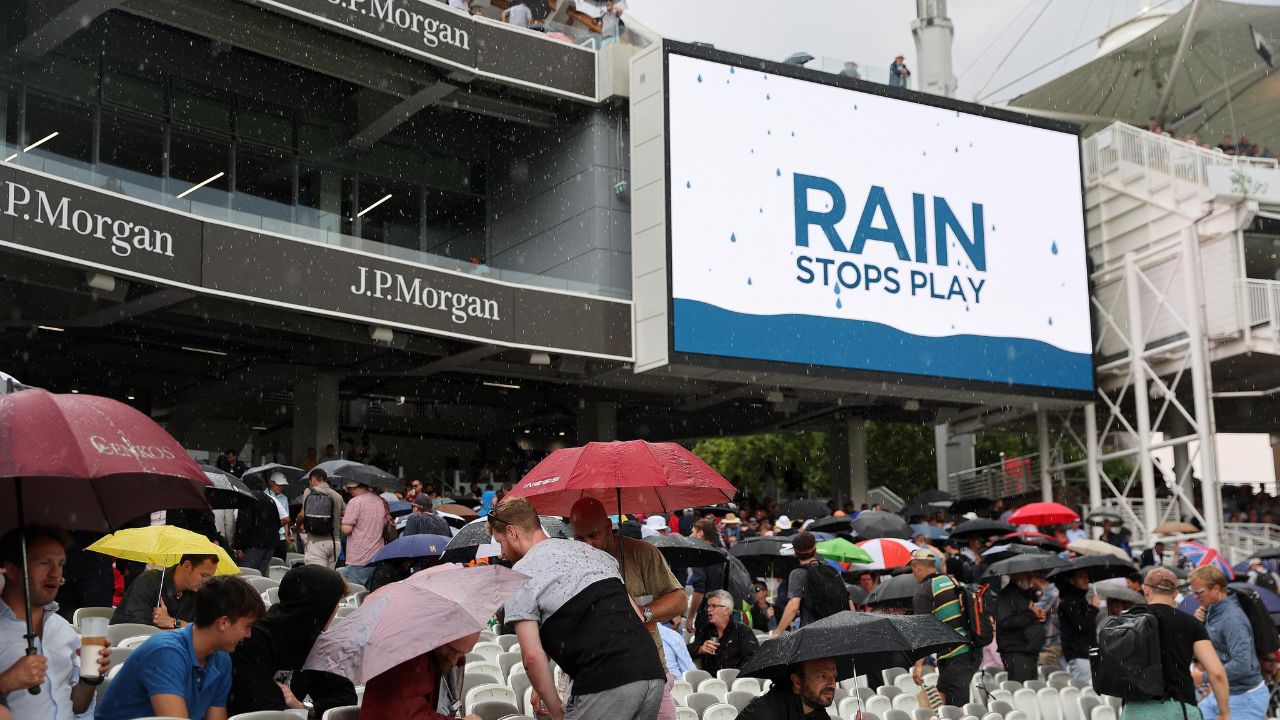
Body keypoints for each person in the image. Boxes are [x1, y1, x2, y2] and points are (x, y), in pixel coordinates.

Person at [490, 497, 665, 720]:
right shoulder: (594, 553)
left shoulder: (520, 574)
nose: (501, 553)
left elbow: (532, 657)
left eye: (500, 541)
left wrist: (556, 711)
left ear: (512, 532)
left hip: (607, 678)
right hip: (652, 672)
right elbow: (637, 615)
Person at [570, 497, 688, 720]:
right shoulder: (571, 563)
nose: (587, 545)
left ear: (608, 527)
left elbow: (680, 600)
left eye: (593, 536)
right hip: (597, 678)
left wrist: (644, 614)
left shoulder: (643, 554)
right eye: (579, 538)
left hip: (650, 672)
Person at [97, 575, 265, 720]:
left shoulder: (221, 659)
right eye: (247, 626)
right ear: (223, 622)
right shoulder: (166, 653)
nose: (248, 635)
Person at [0, 525, 111, 718]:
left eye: (60, 564)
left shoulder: (62, 629)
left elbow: (77, 707)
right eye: (44, 563)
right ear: (11, 570)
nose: (56, 573)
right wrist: (6, 682)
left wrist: (89, 678)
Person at [227, 565, 355, 716]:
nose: (337, 608)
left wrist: (305, 708)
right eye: (334, 602)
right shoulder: (252, 638)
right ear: (318, 604)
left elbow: (346, 697)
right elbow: (261, 706)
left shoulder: (312, 640)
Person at [1121, 567, 1230, 720]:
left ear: (1146, 590)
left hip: (1136, 709)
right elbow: (1217, 673)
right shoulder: (1191, 623)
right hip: (1179, 707)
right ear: (1175, 593)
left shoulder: (1126, 620)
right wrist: (1224, 713)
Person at [1190, 565, 1268, 720]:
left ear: (1216, 589)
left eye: (1199, 592)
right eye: (1193, 592)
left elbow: (1242, 665)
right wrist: (1199, 623)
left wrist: (1203, 678)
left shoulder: (1232, 619)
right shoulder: (1212, 610)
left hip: (1245, 698)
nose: (1195, 597)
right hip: (1224, 692)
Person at [908, 548, 978, 705]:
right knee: (942, 697)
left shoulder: (924, 591)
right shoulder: (954, 582)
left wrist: (918, 665)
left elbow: (922, 630)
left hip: (954, 656)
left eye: (912, 568)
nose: (913, 573)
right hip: (969, 652)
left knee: (957, 709)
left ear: (917, 567)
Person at [360, 630, 482, 720]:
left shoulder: (438, 657)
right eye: (451, 649)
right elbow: (407, 715)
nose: (454, 660)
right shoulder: (404, 659)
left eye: (462, 653)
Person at [773, 531, 852, 637]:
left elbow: (793, 606)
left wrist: (777, 632)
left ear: (795, 552)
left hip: (813, 632)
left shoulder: (798, 573)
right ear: (815, 549)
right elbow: (848, 599)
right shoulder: (831, 570)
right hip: (838, 628)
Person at [112, 553, 219, 629]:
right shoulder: (148, 582)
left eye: (210, 578)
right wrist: (184, 629)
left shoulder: (199, 592)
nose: (206, 582)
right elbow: (136, 630)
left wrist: (173, 623)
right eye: (204, 575)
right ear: (187, 566)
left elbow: (206, 630)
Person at [738, 657, 837, 720]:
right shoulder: (763, 714)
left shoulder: (817, 712)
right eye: (822, 676)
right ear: (797, 682)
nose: (832, 685)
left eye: (834, 676)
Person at [688, 589, 758, 674]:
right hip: (711, 683)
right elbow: (686, 650)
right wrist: (700, 649)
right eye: (708, 606)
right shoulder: (706, 629)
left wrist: (731, 674)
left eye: (713, 606)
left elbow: (753, 659)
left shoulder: (742, 630)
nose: (709, 609)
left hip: (736, 680)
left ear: (727, 610)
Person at [994, 571, 1045, 682]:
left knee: (1031, 690)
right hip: (1016, 651)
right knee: (1022, 690)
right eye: (1026, 575)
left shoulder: (1026, 594)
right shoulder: (1006, 596)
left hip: (1029, 650)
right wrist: (1032, 614)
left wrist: (1037, 615)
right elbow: (1006, 621)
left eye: (1031, 574)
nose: (1030, 577)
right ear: (1015, 576)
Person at [340, 481, 389, 589]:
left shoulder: (355, 502)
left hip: (358, 557)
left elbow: (346, 530)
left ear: (353, 488)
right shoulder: (381, 501)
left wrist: (342, 523)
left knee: (356, 595)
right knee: (372, 596)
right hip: (378, 556)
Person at [296, 468, 346, 570]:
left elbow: (302, 515)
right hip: (334, 543)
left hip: (316, 543)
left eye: (310, 482)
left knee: (316, 578)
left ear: (313, 479)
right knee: (328, 578)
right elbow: (344, 516)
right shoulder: (337, 495)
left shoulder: (309, 491)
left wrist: (297, 524)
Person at [236, 476, 287, 576]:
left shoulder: (247, 499)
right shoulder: (270, 500)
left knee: (246, 576)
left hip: (253, 546)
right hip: (270, 547)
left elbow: (243, 525)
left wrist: (239, 546)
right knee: (261, 575)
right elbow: (277, 523)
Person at [685, 519, 726, 632]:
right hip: (726, 611)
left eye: (693, 532)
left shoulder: (700, 555)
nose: (690, 535)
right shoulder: (723, 553)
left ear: (700, 534)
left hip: (707, 614)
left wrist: (690, 617)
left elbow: (699, 591)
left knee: (705, 648)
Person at [1056, 568, 1097, 683]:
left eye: (1086, 577)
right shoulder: (1069, 602)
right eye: (1081, 577)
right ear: (1072, 581)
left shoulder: (1081, 600)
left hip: (1088, 655)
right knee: (1086, 691)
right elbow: (1081, 627)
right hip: (1079, 655)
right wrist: (1093, 608)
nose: (1086, 580)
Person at [266, 473, 292, 560]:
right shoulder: (264, 495)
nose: (281, 487)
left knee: (280, 563)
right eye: (279, 485)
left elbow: (286, 518)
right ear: (272, 483)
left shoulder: (284, 498)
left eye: (282, 485)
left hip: (281, 537)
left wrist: (287, 536)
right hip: (268, 536)